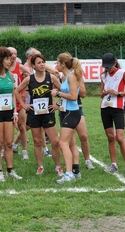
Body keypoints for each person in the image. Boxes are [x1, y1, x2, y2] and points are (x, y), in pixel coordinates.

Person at [14, 54, 64, 177]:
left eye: (43, 62)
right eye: (39, 63)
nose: (42, 64)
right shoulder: (29, 79)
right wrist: (24, 105)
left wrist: (58, 104)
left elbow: (64, 91)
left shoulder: (51, 77)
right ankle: (40, 166)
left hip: (48, 114)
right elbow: (16, 91)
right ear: (33, 65)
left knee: (55, 142)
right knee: (37, 141)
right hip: (34, 114)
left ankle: (58, 166)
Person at [0, 47, 22, 182]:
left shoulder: (10, 75)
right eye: (6, 59)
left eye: (10, 59)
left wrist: (15, 111)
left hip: (9, 112)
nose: (9, 61)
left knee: (8, 143)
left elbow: (13, 93)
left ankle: (10, 170)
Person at [51, 52, 82, 184]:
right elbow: (66, 96)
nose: (56, 65)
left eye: (57, 62)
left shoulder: (71, 76)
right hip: (65, 111)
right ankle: (75, 171)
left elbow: (74, 97)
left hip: (71, 112)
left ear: (63, 64)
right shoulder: (65, 76)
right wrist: (58, 104)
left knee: (62, 143)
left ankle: (69, 174)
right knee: (70, 143)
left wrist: (57, 93)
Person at [100, 53, 125, 174]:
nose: (107, 69)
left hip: (118, 108)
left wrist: (117, 93)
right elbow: (101, 93)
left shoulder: (122, 73)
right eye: (106, 67)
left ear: (114, 63)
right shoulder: (103, 75)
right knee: (110, 137)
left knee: (119, 137)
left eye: (109, 66)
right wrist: (103, 93)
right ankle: (114, 165)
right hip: (105, 108)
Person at [7, 47, 31, 160]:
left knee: (22, 126)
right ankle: (6, 149)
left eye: (15, 54)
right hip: (6, 101)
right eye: (11, 54)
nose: (13, 56)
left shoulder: (20, 67)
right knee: (7, 128)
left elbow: (32, 77)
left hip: (19, 101)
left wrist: (26, 90)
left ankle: (24, 151)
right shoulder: (3, 67)